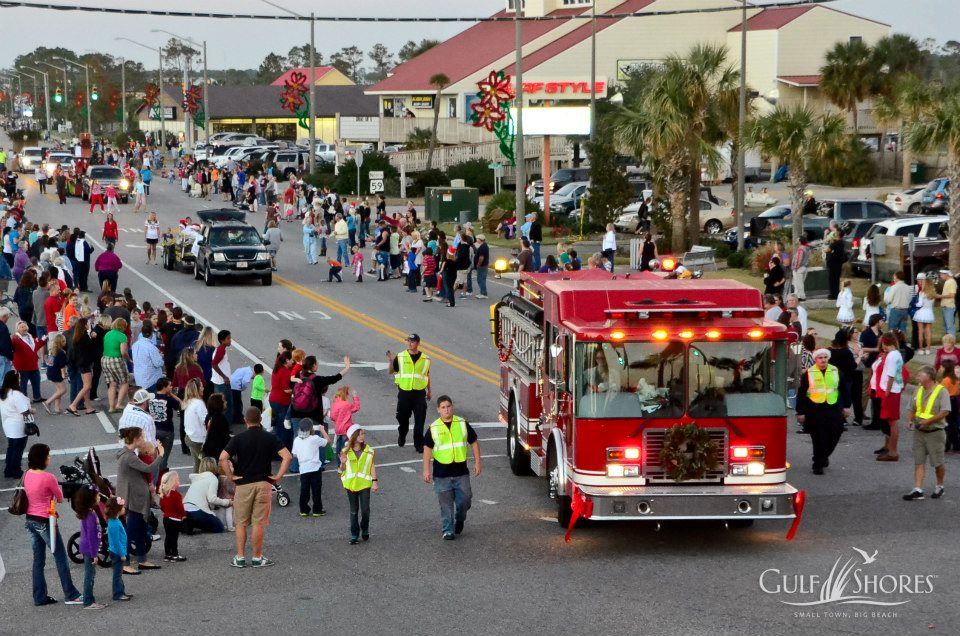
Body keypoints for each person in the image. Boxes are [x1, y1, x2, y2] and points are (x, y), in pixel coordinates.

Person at [219, 406, 292, 568]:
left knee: (241, 522)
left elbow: (223, 458)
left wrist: (231, 476)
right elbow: (287, 456)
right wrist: (278, 476)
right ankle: (257, 558)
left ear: (245, 420)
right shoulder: (270, 437)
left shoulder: (238, 439)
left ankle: (240, 557)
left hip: (243, 484)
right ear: (260, 420)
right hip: (263, 482)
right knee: (258, 523)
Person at [23, 443, 84, 606]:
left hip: (30, 519)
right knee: (60, 558)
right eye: (48, 455)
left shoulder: (27, 474)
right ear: (42, 458)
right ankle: (71, 594)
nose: (50, 458)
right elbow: (60, 497)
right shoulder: (48, 477)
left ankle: (39, 596)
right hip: (45, 521)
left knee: (38, 560)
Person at [422, 396, 482, 539]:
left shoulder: (462, 423)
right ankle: (448, 530)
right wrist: (426, 470)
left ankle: (460, 519)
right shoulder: (434, 428)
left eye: (448, 406)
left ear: (452, 407)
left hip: (461, 472)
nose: (446, 409)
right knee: (446, 505)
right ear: (438, 410)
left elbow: (473, 442)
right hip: (441, 474)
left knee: (465, 500)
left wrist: (478, 462)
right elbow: (427, 449)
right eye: (443, 407)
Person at [115, 426, 162, 573]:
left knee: (140, 530)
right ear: (135, 439)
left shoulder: (127, 453)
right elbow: (148, 469)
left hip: (134, 498)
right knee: (131, 531)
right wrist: (161, 454)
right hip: (133, 500)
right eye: (142, 437)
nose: (144, 439)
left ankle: (142, 559)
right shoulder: (129, 456)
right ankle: (126, 563)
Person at [796, 349, 850, 474]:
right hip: (815, 409)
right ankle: (818, 464)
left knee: (836, 432)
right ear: (815, 359)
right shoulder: (809, 373)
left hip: (833, 408)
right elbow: (802, 393)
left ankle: (824, 455)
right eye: (820, 357)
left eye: (825, 357)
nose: (823, 360)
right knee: (818, 438)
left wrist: (847, 406)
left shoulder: (835, 371)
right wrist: (800, 412)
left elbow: (844, 389)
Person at [903, 366, 951, 500]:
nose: (917, 377)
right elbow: (911, 408)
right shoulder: (918, 390)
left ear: (928, 377)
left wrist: (928, 421)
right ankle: (918, 489)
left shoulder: (942, 391)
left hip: (935, 432)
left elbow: (945, 411)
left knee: (938, 462)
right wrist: (910, 420)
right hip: (919, 432)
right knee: (919, 461)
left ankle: (940, 486)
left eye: (920, 375)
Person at [388, 334, 431, 452]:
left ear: (418, 343)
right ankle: (402, 434)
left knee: (420, 420)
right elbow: (391, 371)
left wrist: (429, 391)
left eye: (412, 342)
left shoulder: (425, 359)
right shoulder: (401, 356)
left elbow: (426, 375)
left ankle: (419, 444)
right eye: (408, 341)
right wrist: (391, 361)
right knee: (402, 418)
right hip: (404, 393)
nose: (409, 344)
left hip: (419, 394)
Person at [339, 424, 378, 544]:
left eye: (363, 434)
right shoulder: (345, 451)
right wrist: (342, 463)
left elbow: (372, 465)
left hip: (365, 484)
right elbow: (341, 470)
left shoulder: (369, 450)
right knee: (354, 511)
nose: (362, 436)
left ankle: (364, 528)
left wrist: (375, 482)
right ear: (353, 436)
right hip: (351, 484)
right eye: (360, 434)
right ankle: (354, 534)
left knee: (365, 510)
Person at [72, 484, 106, 610]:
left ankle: (89, 599)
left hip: (87, 548)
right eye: (97, 495)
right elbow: (91, 537)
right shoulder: (91, 515)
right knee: (89, 575)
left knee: (90, 574)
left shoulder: (88, 512)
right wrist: (94, 554)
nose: (99, 497)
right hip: (90, 550)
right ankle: (88, 601)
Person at [875, 332, 905, 461]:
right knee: (891, 421)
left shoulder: (892, 356)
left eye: (884, 344)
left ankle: (893, 452)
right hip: (894, 390)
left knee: (892, 422)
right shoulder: (897, 354)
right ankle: (890, 449)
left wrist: (887, 392)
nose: (883, 347)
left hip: (891, 391)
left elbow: (891, 375)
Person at [292, 418, 331, 517]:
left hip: (303, 469)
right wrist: (322, 430)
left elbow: (295, 455)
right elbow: (328, 441)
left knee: (304, 490)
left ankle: (304, 509)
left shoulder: (296, 439)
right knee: (316, 490)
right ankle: (317, 510)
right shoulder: (315, 438)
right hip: (315, 468)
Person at [183, 457, 230, 533]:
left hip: (185, 508)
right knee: (219, 527)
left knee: (203, 519)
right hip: (197, 509)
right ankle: (196, 523)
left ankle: (189, 523)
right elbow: (212, 499)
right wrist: (227, 502)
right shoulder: (212, 478)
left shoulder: (196, 478)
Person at [2, 369, 31, 478]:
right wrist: (32, 410)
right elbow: (25, 411)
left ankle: (8, 469)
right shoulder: (16, 394)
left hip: (8, 426)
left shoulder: (4, 393)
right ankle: (16, 470)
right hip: (18, 426)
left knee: (11, 448)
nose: (19, 380)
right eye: (18, 379)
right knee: (18, 449)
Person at [101, 317, 130, 413]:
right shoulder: (122, 336)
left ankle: (111, 407)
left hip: (105, 359)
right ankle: (118, 404)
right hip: (116, 360)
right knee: (125, 382)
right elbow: (123, 352)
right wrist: (129, 360)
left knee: (112, 384)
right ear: (123, 326)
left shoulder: (107, 334)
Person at [158, 471, 187, 562]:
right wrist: (183, 515)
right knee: (174, 537)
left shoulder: (163, 494)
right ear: (173, 483)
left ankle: (167, 554)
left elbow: (162, 506)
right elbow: (180, 508)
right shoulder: (177, 495)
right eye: (177, 480)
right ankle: (175, 554)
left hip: (166, 518)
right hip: (175, 519)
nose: (179, 481)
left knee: (168, 536)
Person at [182, 379, 208, 471]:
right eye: (201, 386)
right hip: (199, 440)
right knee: (205, 465)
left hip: (190, 437)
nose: (203, 388)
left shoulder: (189, 401)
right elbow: (205, 421)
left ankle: (195, 482)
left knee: (197, 463)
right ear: (196, 389)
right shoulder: (199, 404)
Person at [330, 386, 360, 466]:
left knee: (338, 447)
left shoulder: (335, 404)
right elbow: (356, 408)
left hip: (338, 428)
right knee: (346, 447)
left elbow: (332, 417)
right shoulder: (346, 404)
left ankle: (339, 463)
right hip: (346, 429)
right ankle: (344, 464)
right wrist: (355, 397)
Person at [202, 392, 231, 459]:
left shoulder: (209, 416)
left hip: (209, 449)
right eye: (224, 401)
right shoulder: (221, 418)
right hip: (218, 451)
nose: (226, 402)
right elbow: (225, 437)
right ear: (219, 404)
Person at [210, 330, 233, 416]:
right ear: (222, 340)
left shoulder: (220, 349)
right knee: (227, 405)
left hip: (220, 381)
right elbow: (214, 364)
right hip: (222, 383)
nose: (230, 340)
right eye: (228, 338)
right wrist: (224, 377)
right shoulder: (221, 350)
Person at [940, 360, 960, 453]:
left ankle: (946, 445)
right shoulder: (955, 379)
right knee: (953, 424)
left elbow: (942, 393)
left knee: (946, 425)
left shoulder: (945, 380)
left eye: (942, 367)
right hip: (955, 401)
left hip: (947, 401)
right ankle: (956, 445)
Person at [914, 277, 936, 355]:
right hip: (929, 312)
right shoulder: (933, 293)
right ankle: (928, 349)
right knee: (929, 331)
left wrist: (915, 304)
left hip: (921, 312)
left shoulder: (922, 293)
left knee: (920, 331)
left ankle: (920, 349)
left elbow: (920, 304)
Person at [824, 227, 846, 300]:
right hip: (838, 263)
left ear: (838, 233)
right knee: (836, 279)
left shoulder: (835, 243)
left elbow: (828, 250)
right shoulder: (841, 242)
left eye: (836, 232)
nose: (834, 233)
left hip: (833, 263)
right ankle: (836, 293)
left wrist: (827, 248)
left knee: (832, 279)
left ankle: (833, 294)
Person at [937, 270, 957, 337]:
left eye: (942, 274)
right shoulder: (947, 282)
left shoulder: (952, 282)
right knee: (946, 326)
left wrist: (940, 296)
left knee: (950, 326)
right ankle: (948, 342)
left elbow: (952, 295)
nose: (940, 276)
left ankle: (951, 343)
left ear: (947, 274)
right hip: (945, 307)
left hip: (949, 307)